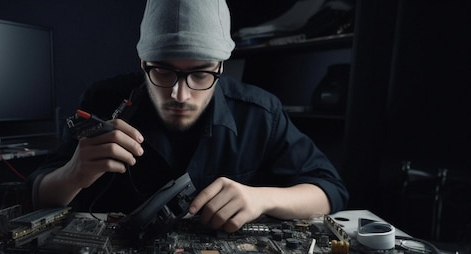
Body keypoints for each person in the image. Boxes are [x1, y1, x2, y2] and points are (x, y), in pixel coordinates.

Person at [29, 0, 349, 233]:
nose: (180, 95)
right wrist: (71, 174)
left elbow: (330, 190)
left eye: (199, 74)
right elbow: (34, 197)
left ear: (220, 67)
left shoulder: (260, 113)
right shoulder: (102, 100)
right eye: (164, 72)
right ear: (144, 64)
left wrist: (261, 198)